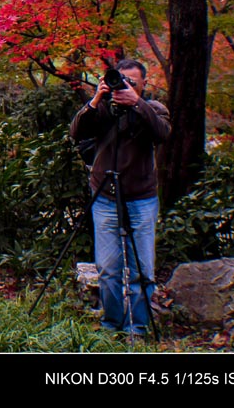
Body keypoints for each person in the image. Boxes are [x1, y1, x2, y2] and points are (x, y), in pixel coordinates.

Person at [69, 59, 171, 335]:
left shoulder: (154, 109)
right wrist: (96, 99)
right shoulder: (103, 109)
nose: (124, 87)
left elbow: (162, 134)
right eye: (120, 81)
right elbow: (76, 133)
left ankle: (139, 325)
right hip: (105, 196)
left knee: (143, 270)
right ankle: (112, 323)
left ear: (143, 84)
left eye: (132, 83)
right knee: (108, 268)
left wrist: (137, 103)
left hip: (141, 198)